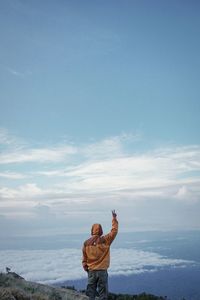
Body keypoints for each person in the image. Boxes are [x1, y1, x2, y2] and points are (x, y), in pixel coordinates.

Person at [82, 210, 118, 300]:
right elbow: (114, 231)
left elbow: (84, 258)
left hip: (91, 271)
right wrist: (114, 219)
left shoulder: (86, 243)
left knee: (90, 293)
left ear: (92, 230)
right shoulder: (105, 240)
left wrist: (86, 268)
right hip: (102, 271)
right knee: (103, 294)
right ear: (101, 231)